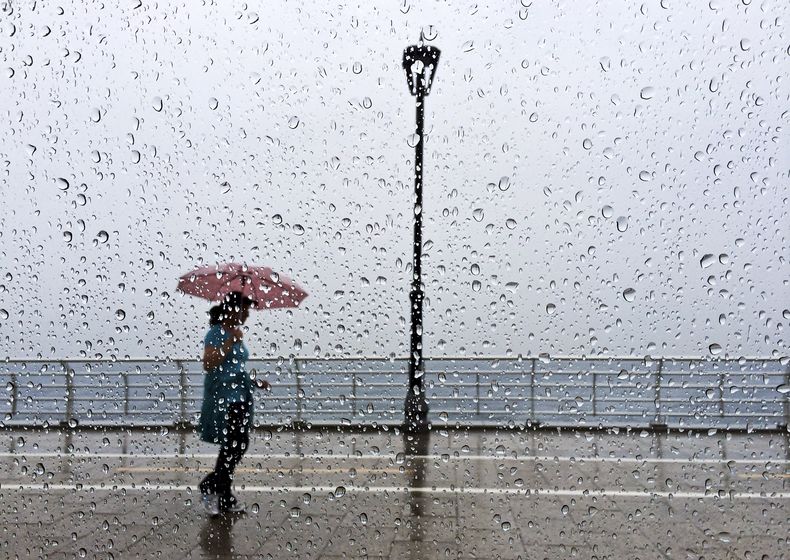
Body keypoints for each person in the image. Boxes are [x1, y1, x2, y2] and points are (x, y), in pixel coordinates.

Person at [198, 291, 268, 516]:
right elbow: (209, 363)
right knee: (232, 446)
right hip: (224, 399)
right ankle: (213, 489)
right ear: (234, 309)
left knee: (237, 446)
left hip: (241, 397)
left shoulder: (236, 334)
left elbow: (235, 369)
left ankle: (222, 495)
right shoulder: (216, 333)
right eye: (245, 309)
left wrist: (255, 382)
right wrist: (230, 341)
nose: (247, 314)